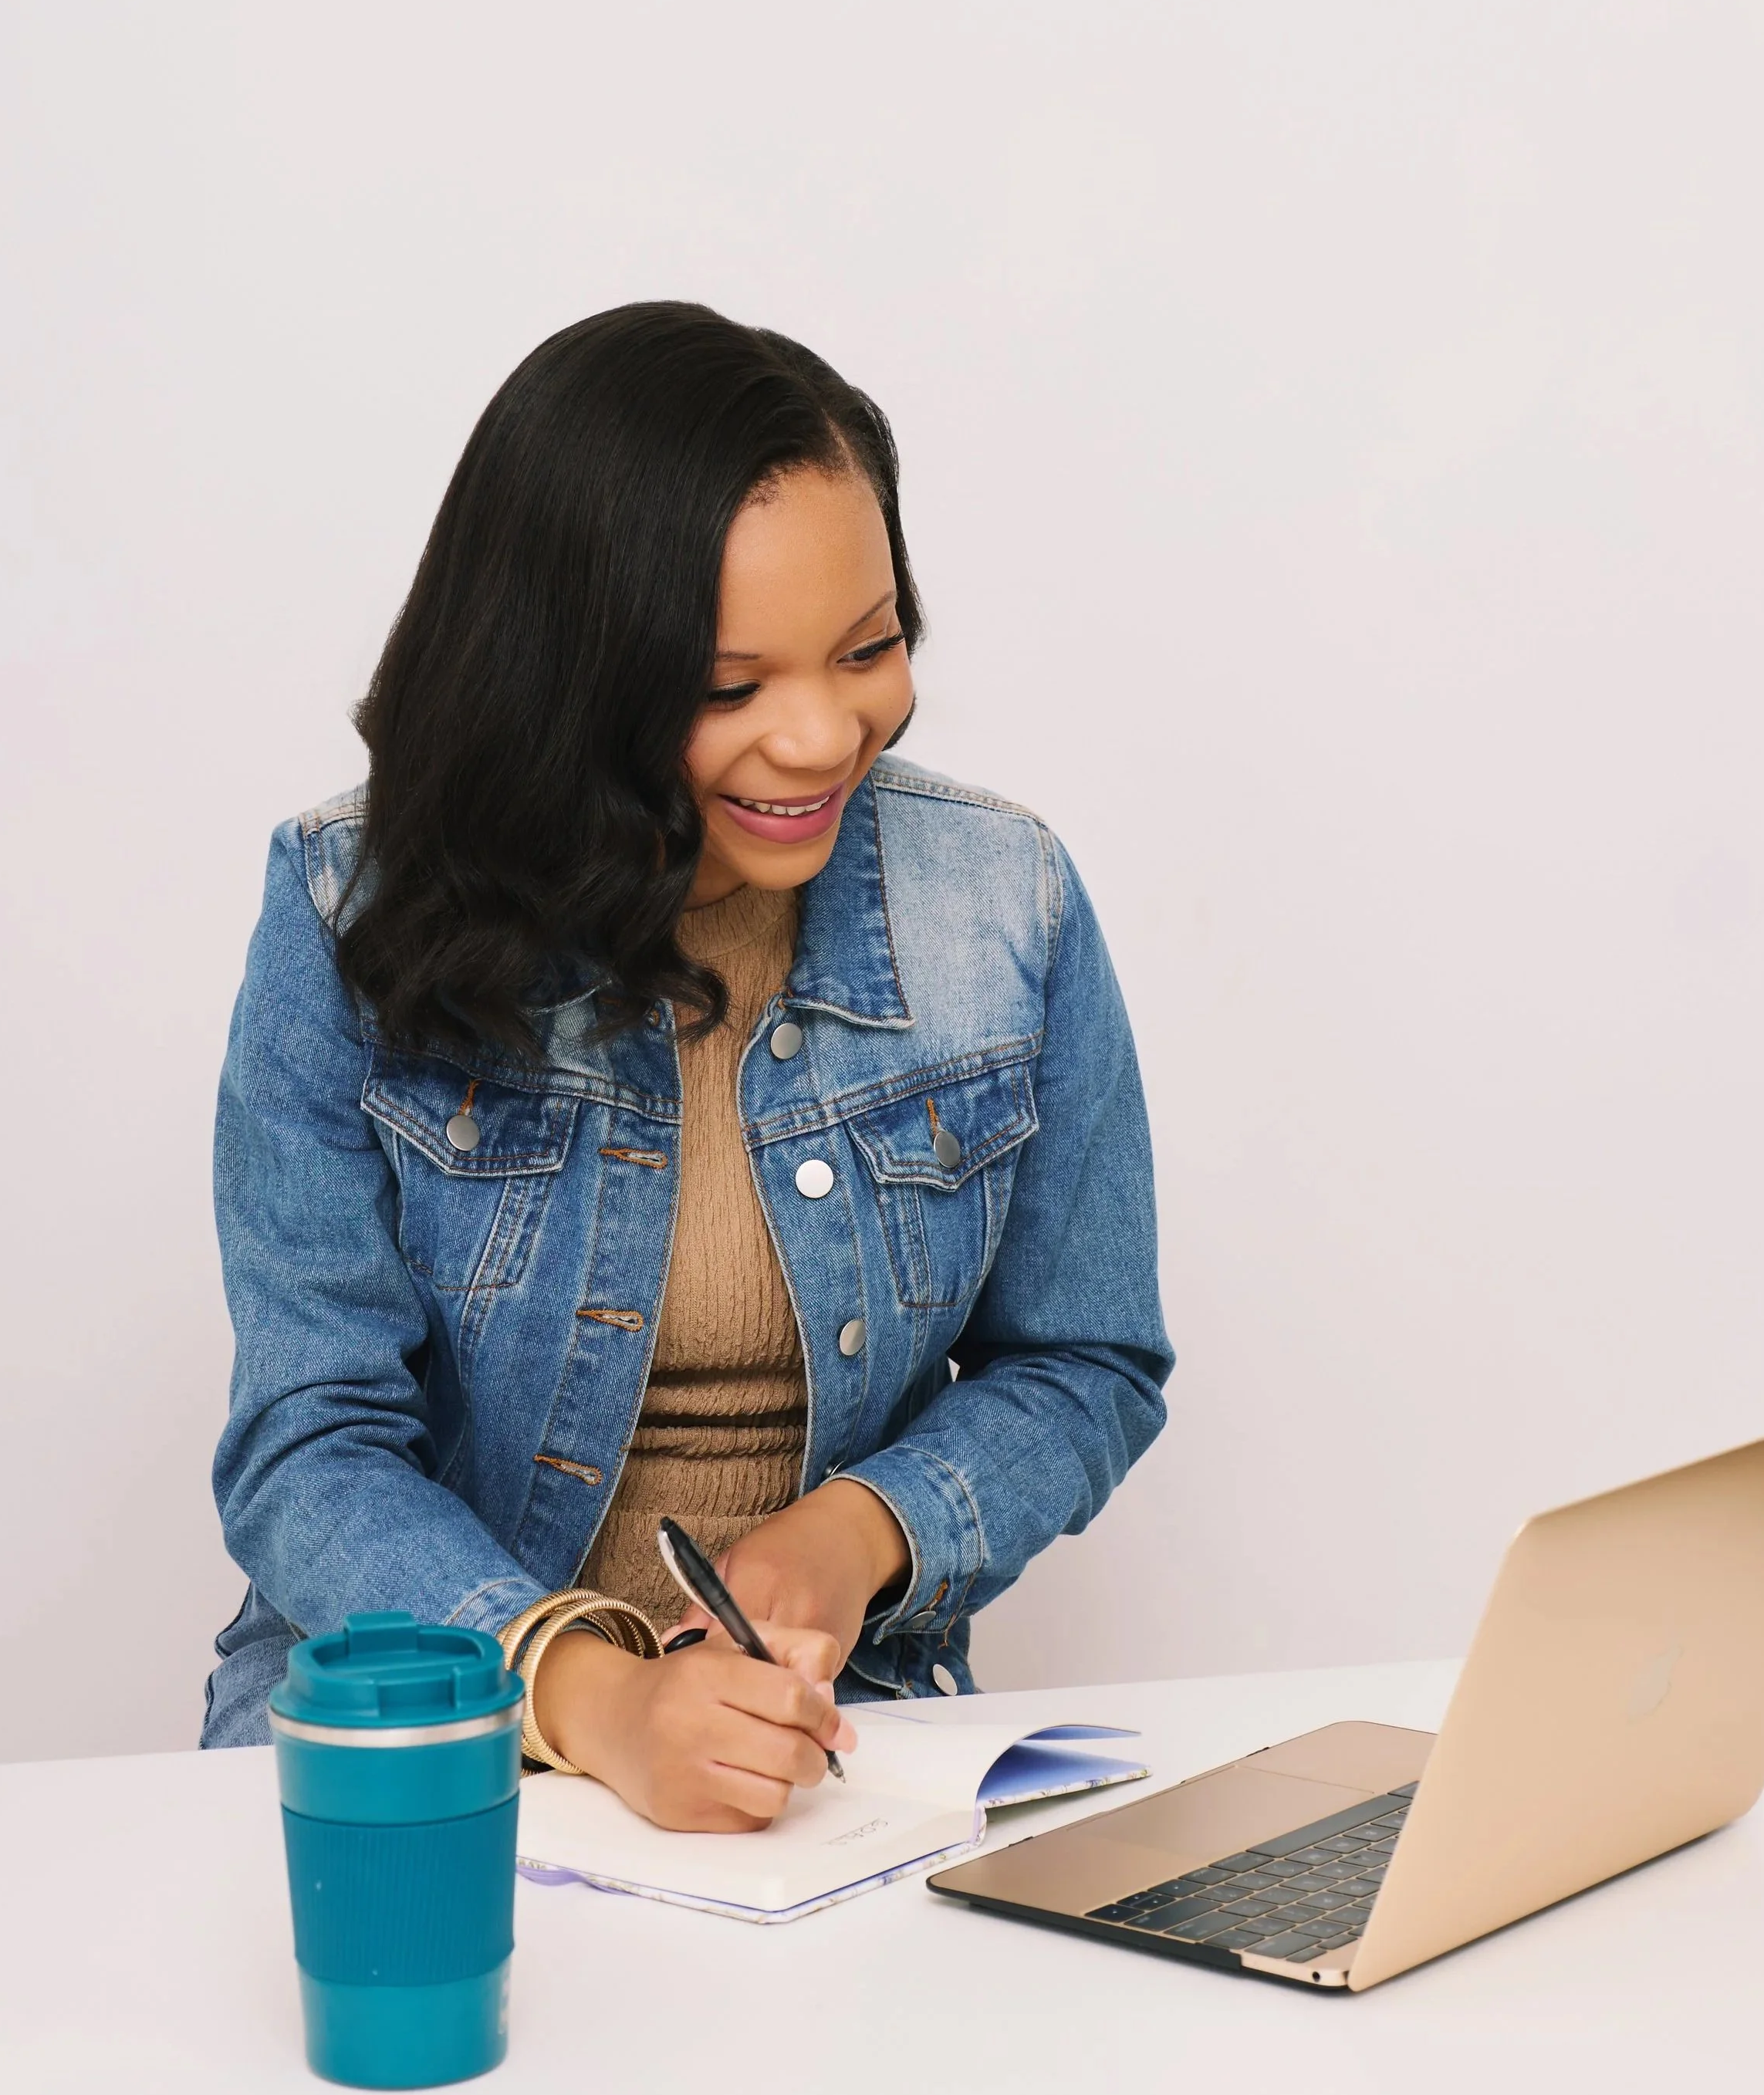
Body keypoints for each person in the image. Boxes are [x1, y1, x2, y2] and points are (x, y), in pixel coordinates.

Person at [204, 301, 1172, 1830]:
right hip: (421, 1729)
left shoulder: (1003, 901)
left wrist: (858, 1533)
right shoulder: (352, 914)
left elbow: (1087, 1360)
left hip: (826, 1742)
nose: (819, 736)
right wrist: (595, 1695)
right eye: (729, 687)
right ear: (565, 676)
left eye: (867, 647)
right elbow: (307, 1448)